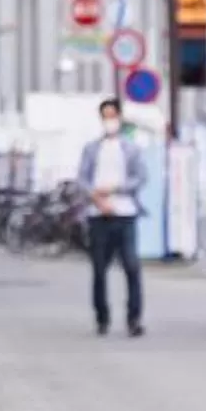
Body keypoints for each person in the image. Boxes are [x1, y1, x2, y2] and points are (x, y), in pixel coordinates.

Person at [76, 99, 148, 336]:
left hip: (125, 213)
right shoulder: (91, 148)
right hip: (98, 215)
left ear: (119, 117)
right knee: (99, 269)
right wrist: (96, 198)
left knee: (131, 267)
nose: (109, 121)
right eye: (105, 116)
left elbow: (140, 177)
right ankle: (102, 317)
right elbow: (82, 179)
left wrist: (115, 189)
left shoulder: (131, 148)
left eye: (112, 116)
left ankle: (134, 318)